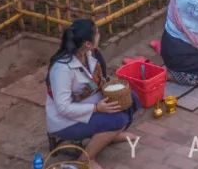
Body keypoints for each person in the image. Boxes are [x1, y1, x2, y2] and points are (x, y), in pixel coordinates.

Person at [46, 19, 136, 168]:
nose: (99, 34)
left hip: (90, 103)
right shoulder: (61, 69)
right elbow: (63, 108)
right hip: (66, 120)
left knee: (131, 99)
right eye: (96, 33)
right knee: (118, 120)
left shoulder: (89, 54)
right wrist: (96, 108)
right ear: (87, 43)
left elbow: (97, 79)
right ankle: (85, 159)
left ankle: (109, 136)